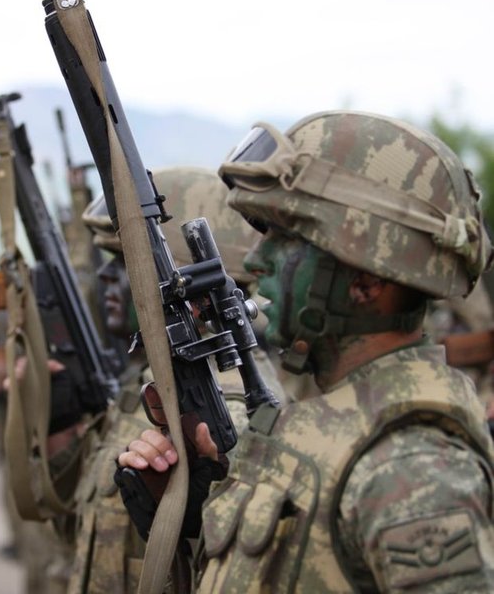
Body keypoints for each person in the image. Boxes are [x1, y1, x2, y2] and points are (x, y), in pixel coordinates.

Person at [118, 110, 494, 592]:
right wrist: (195, 518)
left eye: (288, 238)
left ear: (367, 280)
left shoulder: (411, 468)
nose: (258, 259)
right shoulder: (329, 427)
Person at [51, 166, 285, 594]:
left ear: (188, 287)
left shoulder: (226, 408)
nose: (106, 276)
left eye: (124, 261)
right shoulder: (154, 389)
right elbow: (80, 534)